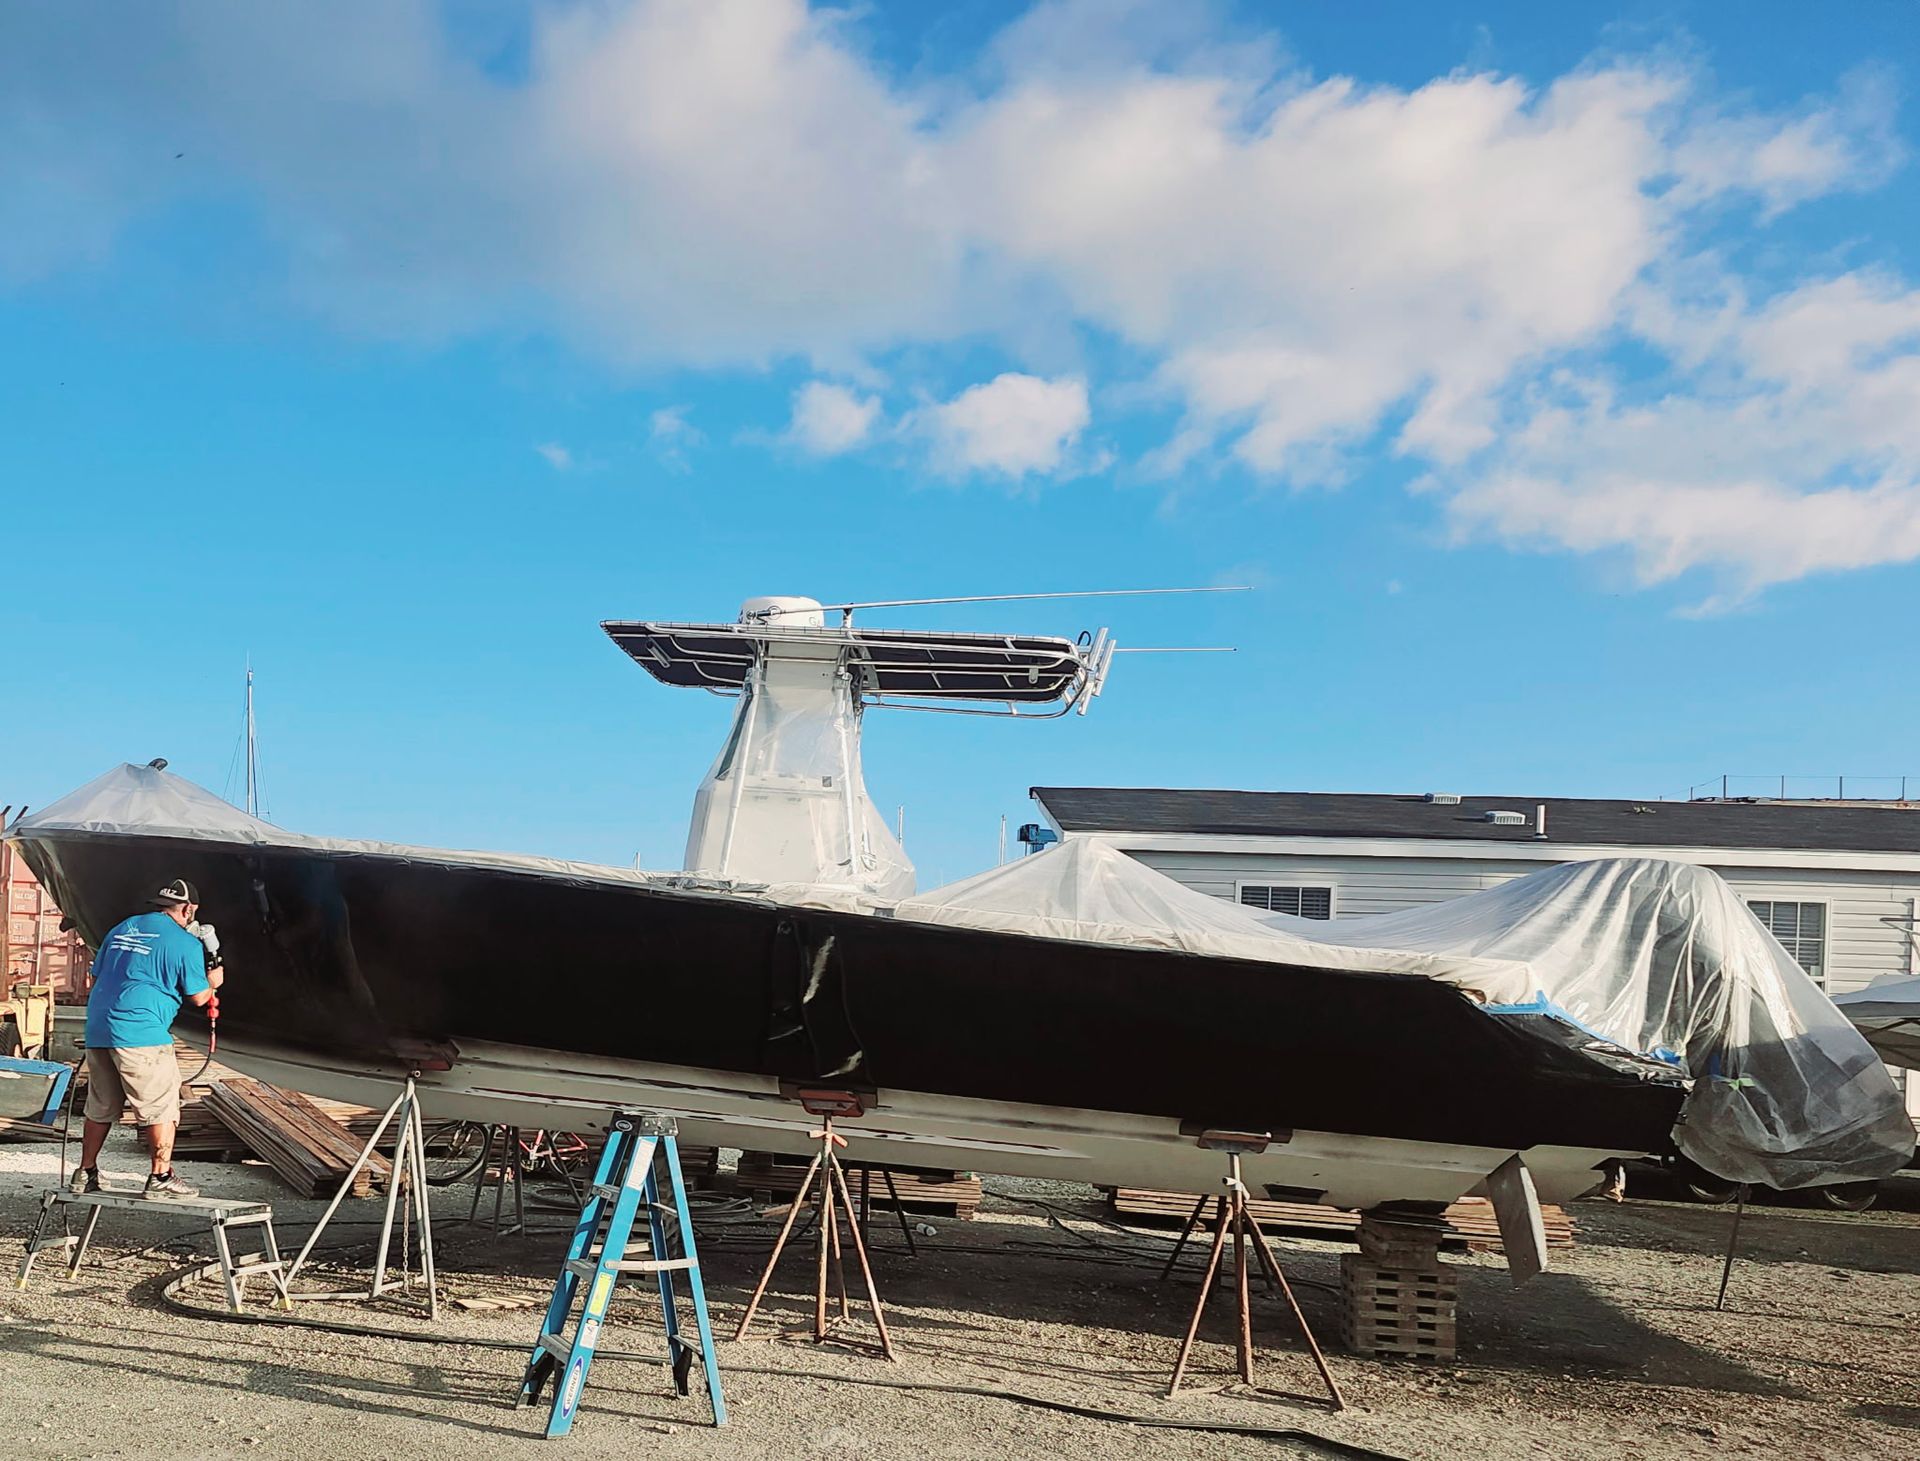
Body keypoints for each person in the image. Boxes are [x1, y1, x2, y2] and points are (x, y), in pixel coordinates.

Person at [69, 877, 224, 1198]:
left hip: (98, 1029)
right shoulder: (186, 944)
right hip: (142, 1034)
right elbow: (197, 997)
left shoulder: (123, 928)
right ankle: (161, 1177)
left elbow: (96, 976)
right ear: (189, 909)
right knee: (162, 1107)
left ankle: (86, 1172)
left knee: (101, 1106)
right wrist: (214, 981)